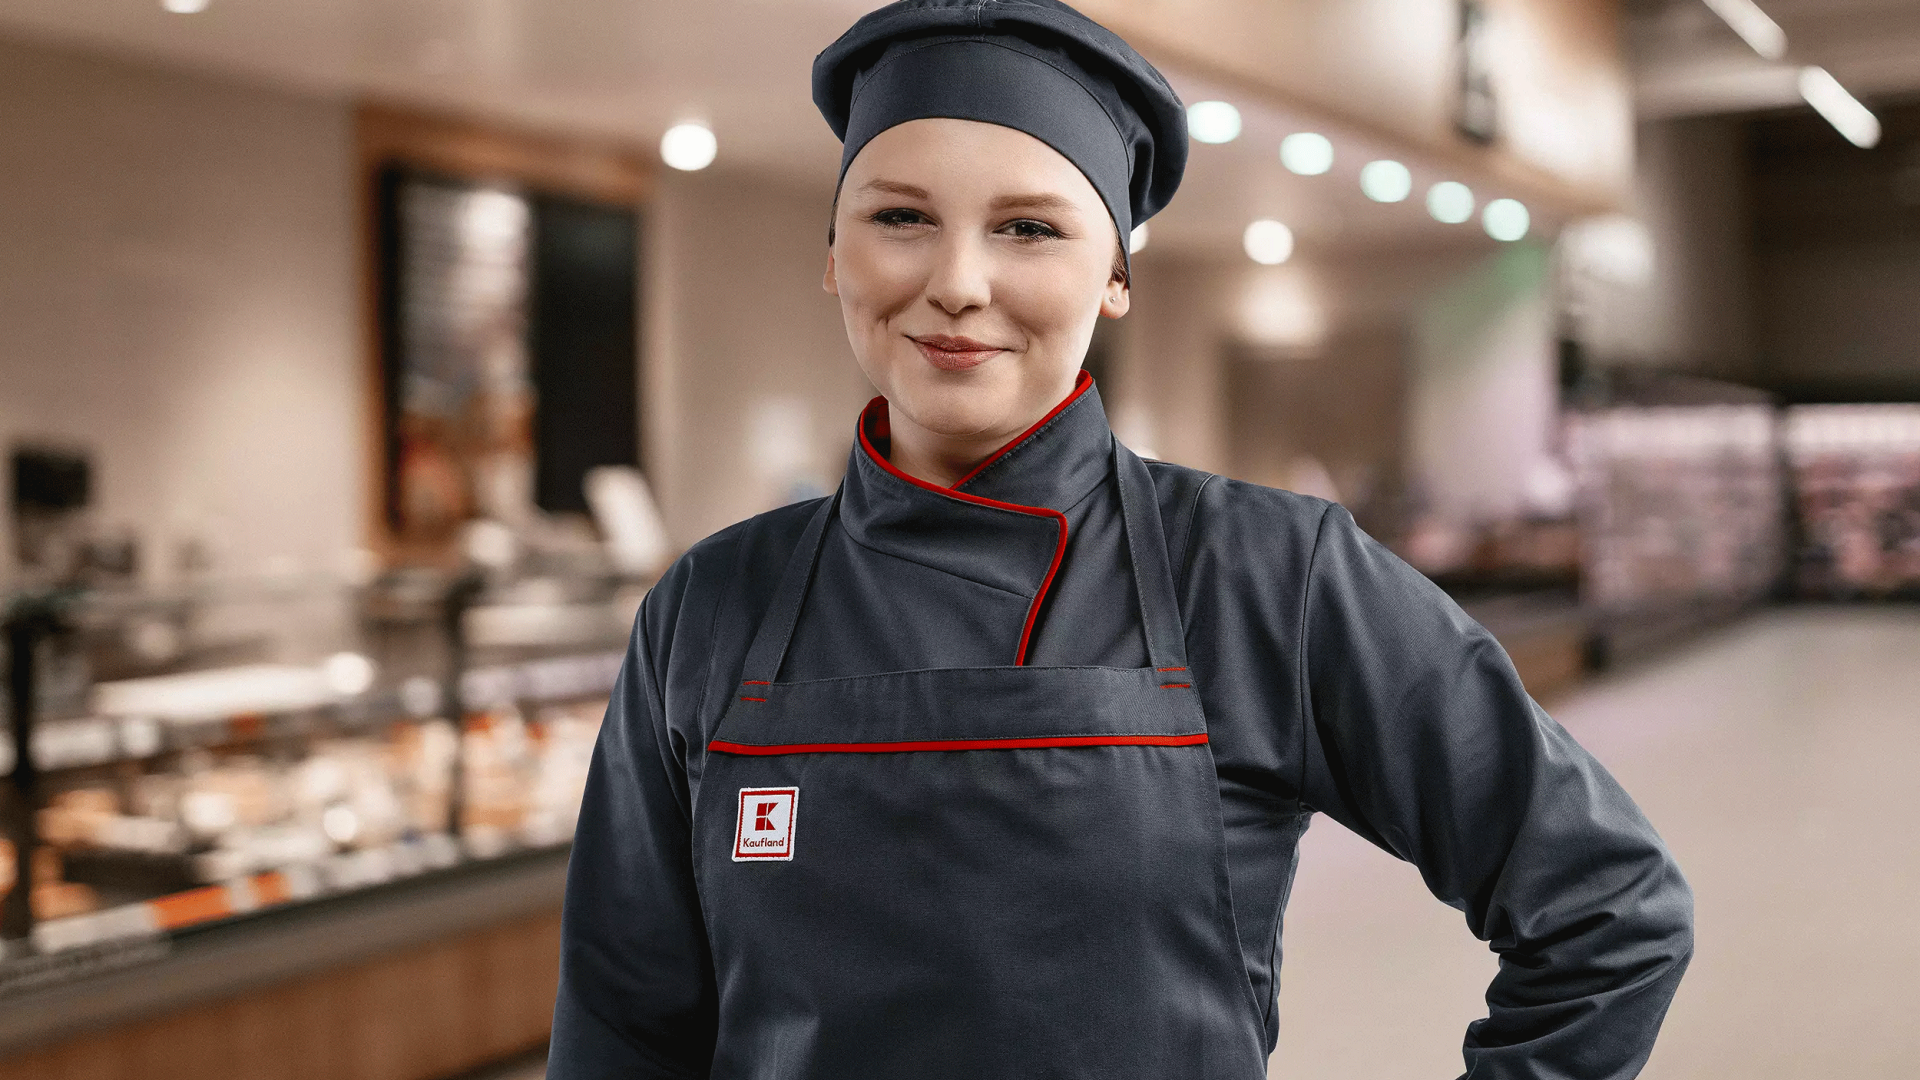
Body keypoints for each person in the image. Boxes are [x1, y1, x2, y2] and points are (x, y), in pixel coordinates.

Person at [547, 2, 1693, 1077]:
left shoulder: (1265, 574)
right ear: (834, 254)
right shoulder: (707, 605)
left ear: (1113, 278)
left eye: (1030, 228)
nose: (958, 283)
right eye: (900, 218)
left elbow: (1607, 908)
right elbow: (622, 1026)